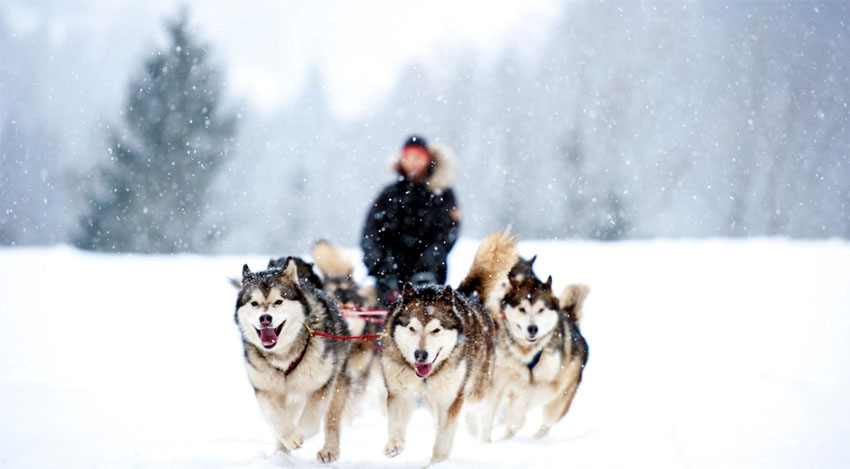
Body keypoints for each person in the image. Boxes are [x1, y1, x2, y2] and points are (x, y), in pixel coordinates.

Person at [361, 135, 461, 307]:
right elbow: (371, 234)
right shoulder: (389, 194)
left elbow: (447, 234)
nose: (412, 162)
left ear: (428, 159)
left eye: (418, 157)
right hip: (388, 282)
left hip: (430, 280)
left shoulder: (443, 194)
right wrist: (382, 270)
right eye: (408, 157)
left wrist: (427, 267)